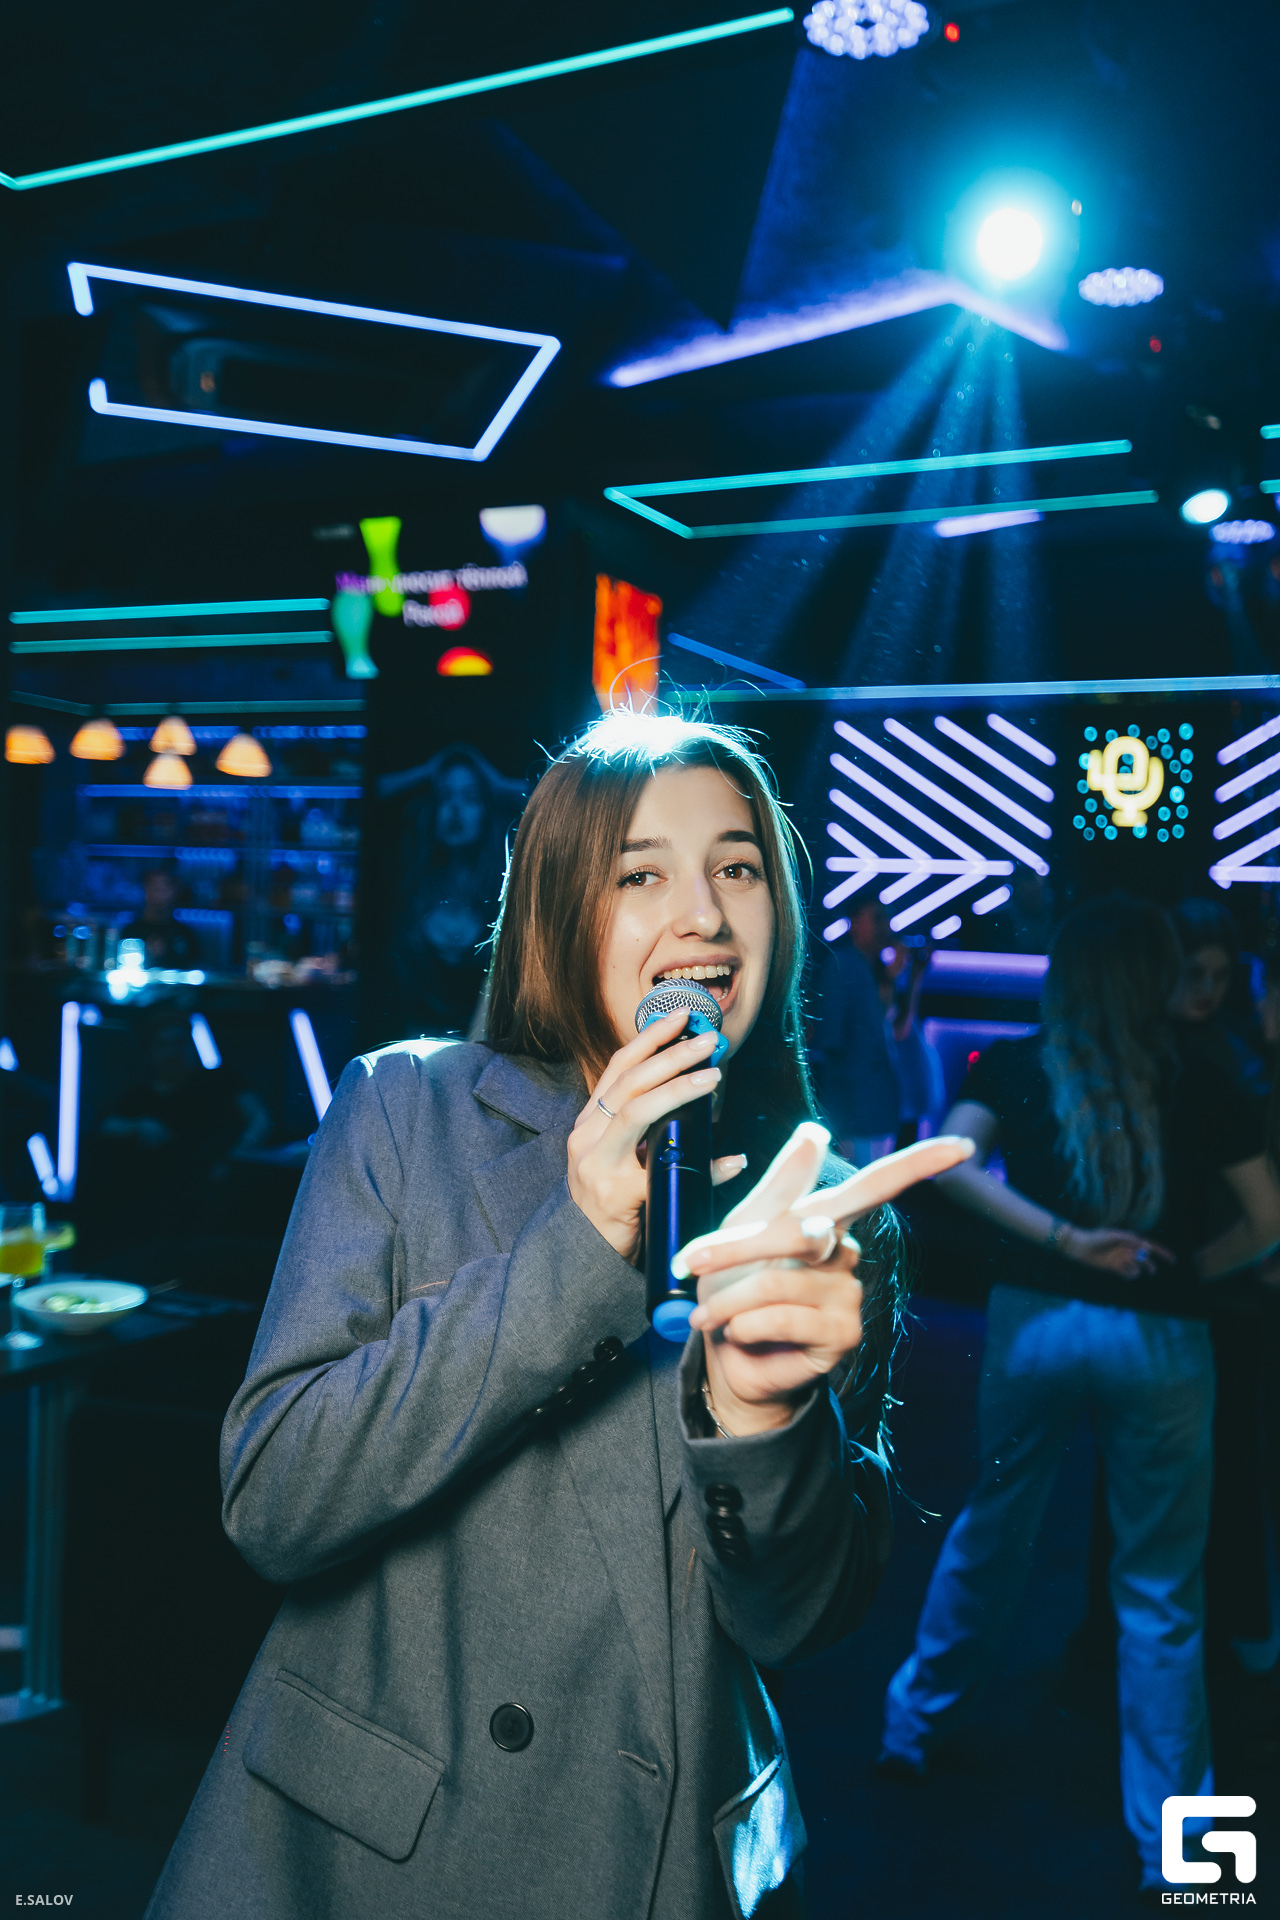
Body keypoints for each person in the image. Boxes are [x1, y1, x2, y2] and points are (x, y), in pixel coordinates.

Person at [143, 711, 965, 1920]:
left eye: (736, 867)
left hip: (650, 1863)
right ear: (558, 910)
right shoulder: (404, 1110)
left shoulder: (825, 1215)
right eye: (641, 874)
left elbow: (795, 1620)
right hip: (365, 1852)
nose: (703, 914)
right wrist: (573, 1248)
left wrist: (761, 1418)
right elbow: (274, 1503)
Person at [878, 895, 1280, 1896]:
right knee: (1161, 1589)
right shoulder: (1200, 1067)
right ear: (1151, 971)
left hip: (1034, 1325)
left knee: (992, 1524)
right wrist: (1185, 1269)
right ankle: (1177, 1855)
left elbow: (945, 1161)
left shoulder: (1019, 1061)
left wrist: (1062, 1242)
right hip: (1163, 1335)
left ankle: (910, 1729)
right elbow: (1268, 1220)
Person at [810, 896, 901, 1164]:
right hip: (853, 1107)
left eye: (886, 918)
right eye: (878, 918)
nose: (885, 927)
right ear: (855, 923)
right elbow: (829, 1040)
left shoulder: (875, 967)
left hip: (876, 1104)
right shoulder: (841, 965)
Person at [123, 862, 203, 970]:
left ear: (174, 891)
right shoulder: (129, 933)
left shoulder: (185, 935)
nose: (158, 893)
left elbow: (194, 968)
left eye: (164, 888)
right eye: (153, 887)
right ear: (145, 890)